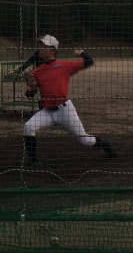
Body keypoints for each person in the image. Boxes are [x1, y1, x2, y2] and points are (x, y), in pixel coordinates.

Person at [23, 35, 116, 169]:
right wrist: (31, 87)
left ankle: (105, 145)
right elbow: (29, 95)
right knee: (28, 127)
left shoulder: (64, 66)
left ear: (53, 50)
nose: (40, 50)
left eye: (44, 47)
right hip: (47, 112)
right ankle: (34, 161)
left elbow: (89, 61)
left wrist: (82, 53)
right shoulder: (36, 71)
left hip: (65, 111)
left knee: (84, 140)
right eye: (40, 47)